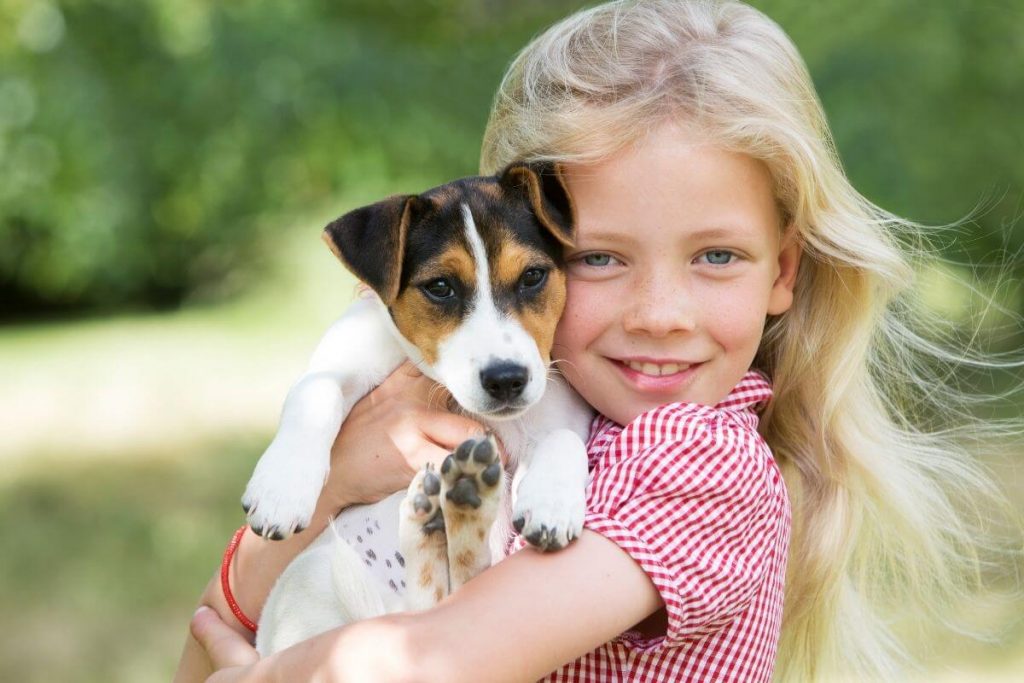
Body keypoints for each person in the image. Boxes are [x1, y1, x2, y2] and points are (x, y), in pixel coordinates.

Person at [176, 1, 1017, 680]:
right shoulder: (549, 416)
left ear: (783, 272)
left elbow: (420, 663)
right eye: (600, 259)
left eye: (715, 255)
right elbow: (207, 644)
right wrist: (328, 488)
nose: (659, 313)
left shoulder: (702, 468)